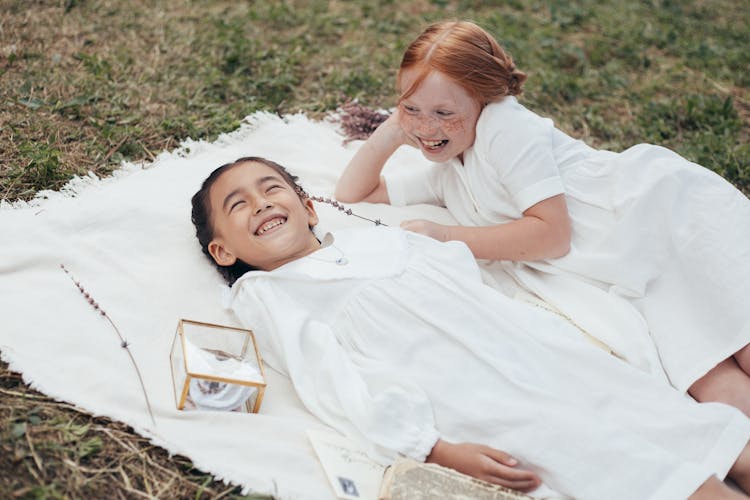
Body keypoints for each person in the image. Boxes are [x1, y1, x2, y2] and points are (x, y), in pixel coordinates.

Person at [191, 156, 750, 500]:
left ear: (309, 208)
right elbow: (329, 380)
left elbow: (473, 281)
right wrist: (433, 448)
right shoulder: (267, 294)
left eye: (271, 188)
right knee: (615, 460)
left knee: (676, 420)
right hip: (471, 391)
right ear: (223, 249)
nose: (261, 203)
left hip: (537, 350)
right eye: (238, 206)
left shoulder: (383, 239)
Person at [334, 20, 750, 414]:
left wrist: (443, 234)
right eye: (413, 109)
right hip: (622, 267)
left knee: (739, 330)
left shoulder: (506, 129)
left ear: (486, 99)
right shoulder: (450, 170)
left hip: (654, 216)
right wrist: (392, 128)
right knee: (707, 374)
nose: (426, 127)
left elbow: (552, 235)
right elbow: (355, 192)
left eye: (444, 113)